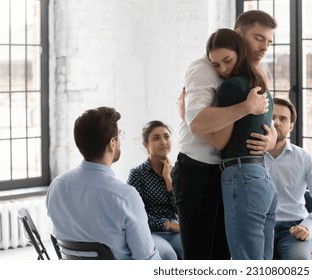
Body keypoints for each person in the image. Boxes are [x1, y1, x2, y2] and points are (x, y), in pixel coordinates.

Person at [172, 10, 278, 260]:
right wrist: (244, 108)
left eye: (268, 41)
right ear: (239, 35)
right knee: (201, 259)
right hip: (197, 171)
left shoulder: (253, 73)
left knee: (224, 256)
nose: (264, 47)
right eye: (258, 38)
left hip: (228, 172)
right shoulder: (203, 69)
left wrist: (271, 138)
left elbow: (266, 118)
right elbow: (198, 123)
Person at [46, 106, 161, 260]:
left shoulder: (57, 185)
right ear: (112, 143)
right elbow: (147, 259)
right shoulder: (125, 196)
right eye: (119, 135)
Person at [201, 28, 277, 260]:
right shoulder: (260, 84)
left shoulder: (232, 87)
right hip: (263, 179)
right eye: (216, 65)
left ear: (240, 53)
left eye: (227, 61)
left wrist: (190, 119)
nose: (223, 69)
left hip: (241, 177)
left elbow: (220, 139)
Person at [265, 97, 312, 260]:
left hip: (294, 227)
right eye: (272, 117)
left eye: (283, 119)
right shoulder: (250, 157)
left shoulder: (305, 158)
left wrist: (307, 226)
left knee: (300, 263)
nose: (276, 122)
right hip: (259, 226)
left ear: (291, 127)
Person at [127, 121, 183, 260]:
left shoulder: (177, 171)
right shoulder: (137, 174)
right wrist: (168, 225)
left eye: (166, 136)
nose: (163, 142)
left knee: (195, 250)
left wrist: (168, 180)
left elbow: (179, 209)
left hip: (176, 229)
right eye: (156, 138)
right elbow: (134, 214)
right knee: (167, 255)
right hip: (151, 231)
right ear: (146, 144)